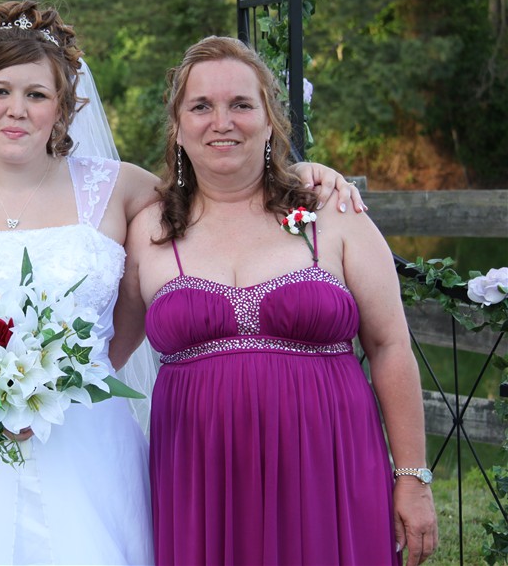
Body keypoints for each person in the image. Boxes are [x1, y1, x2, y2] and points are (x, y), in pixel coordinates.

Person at [0, 2, 364, 566]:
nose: (17, 110)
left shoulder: (121, 188)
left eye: (37, 94)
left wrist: (302, 174)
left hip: (86, 439)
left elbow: (224, 197)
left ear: (63, 107)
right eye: (0, 91)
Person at [114, 36, 439, 565]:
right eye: (201, 106)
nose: (222, 122)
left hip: (329, 467)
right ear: (177, 126)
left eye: (241, 104)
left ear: (270, 121)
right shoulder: (149, 228)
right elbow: (104, 355)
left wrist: (412, 478)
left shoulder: (330, 211)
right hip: (201, 478)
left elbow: (390, 346)